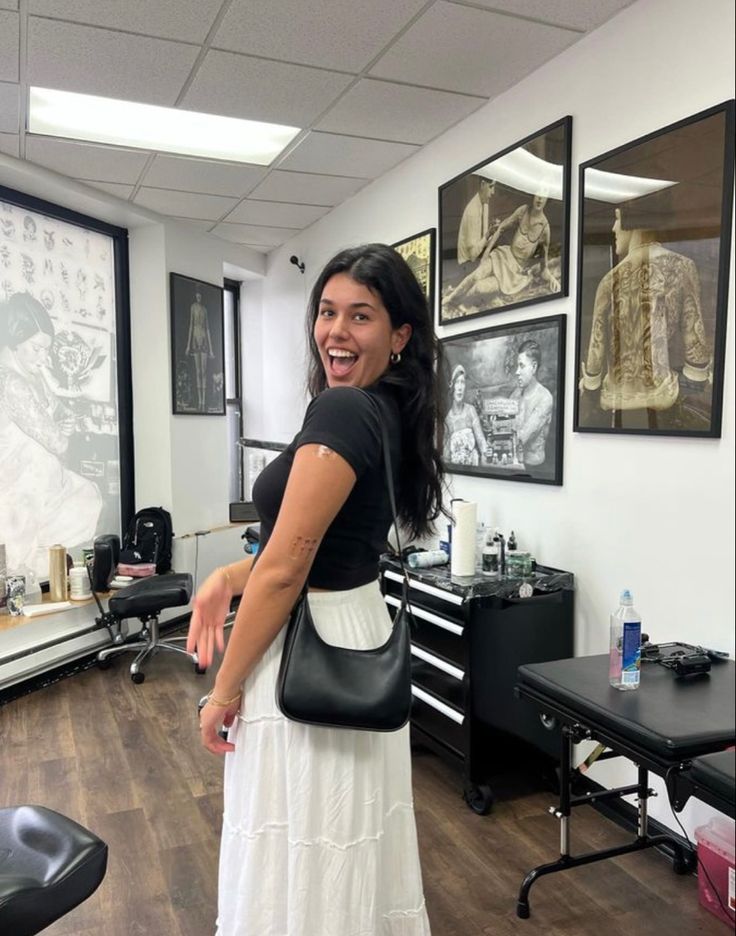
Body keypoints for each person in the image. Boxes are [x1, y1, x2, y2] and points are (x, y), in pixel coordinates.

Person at [187, 244, 445, 936]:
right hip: (353, 627)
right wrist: (225, 575)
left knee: (300, 842)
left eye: (360, 316)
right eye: (327, 311)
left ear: (399, 337)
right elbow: (326, 547)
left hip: (308, 644)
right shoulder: (384, 413)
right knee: (343, 838)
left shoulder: (346, 414)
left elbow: (286, 567)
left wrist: (224, 690)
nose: (335, 330)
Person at [0, 291, 101, 578]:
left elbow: (57, 416)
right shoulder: (11, 383)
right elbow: (55, 439)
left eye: (47, 349)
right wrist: (63, 434)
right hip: (19, 497)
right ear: (16, 343)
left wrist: (63, 424)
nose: (44, 358)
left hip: (44, 490)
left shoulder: (30, 377)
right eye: (37, 348)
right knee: (20, 569)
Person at [580, 206, 710, 417]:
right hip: (663, 397)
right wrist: (695, 383)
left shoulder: (608, 281)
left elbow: (596, 351)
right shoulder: (682, 267)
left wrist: (591, 389)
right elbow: (696, 347)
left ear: (632, 222)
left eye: (618, 219)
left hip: (615, 399)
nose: (614, 228)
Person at [444, 190, 560, 313]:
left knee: (479, 287)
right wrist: (486, 252)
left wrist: (552, 278)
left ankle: (459, 302)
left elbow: (544, 268)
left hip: (514, 273)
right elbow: (502, 228)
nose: (540, 199)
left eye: (544, 196)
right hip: (504, 255)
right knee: (475, 276)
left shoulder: (545, 229)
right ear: (533, 195)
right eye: (538, 195)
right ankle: (450, 298)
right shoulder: (523, 210)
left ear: (548, 199)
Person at [509, 339, 553, 467]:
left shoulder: (545, 398)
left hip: (534, 469)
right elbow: (503, 422)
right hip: (514, 463)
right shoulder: (516, 394)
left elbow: (523, 437)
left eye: (521, 366)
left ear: (533, 367)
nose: (517, 372)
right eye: (518, 366)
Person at [443, 363, 487, 465]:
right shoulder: (448, 419)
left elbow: (482, 444)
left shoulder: (471, 411)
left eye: (462, 382)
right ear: (452, 386)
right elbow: (446, 456)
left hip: (474, 471)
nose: (460, 387)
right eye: (457, 382)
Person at [456, 177, 497, 267]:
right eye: (491, 187)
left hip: (477, 256)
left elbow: (485, 242)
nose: (493, 192)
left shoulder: (485, 203)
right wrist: (488, 234)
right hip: (467, 264)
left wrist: (491, 230)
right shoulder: (472, 211)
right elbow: (473, 255)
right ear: (482, 185)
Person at [186, 289, 214, 410]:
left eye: (200, 295)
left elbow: (208, 329)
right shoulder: (193, 307)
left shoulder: (205, 310)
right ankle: (200, 400)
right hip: (195, 339)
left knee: (203, 371)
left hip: (203, 339)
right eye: (197, 294)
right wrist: (188, 345)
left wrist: (211, 349)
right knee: (198, 371)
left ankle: (203, 401)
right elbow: (191, 325)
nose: (198, 297)